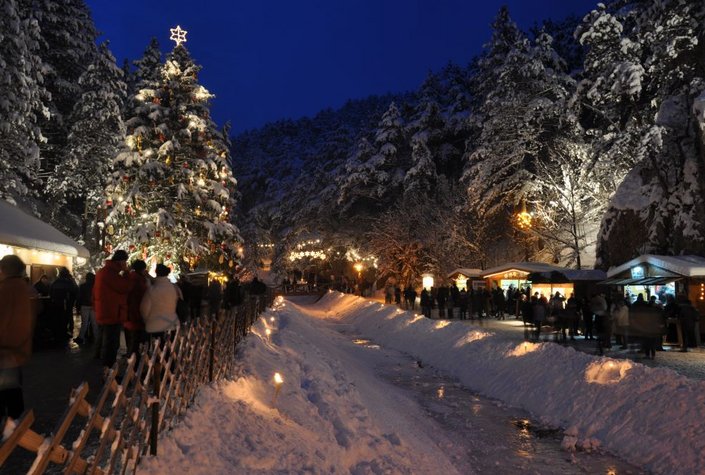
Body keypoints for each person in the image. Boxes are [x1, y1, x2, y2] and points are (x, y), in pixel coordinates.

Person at [0, 255, 35, 418]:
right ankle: (18, 428)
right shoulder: (22, 288)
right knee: (13, 391)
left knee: (7, 393)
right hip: (17, 349)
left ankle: (13, 431)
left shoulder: (6, 289)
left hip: (6, 350)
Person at [93, 250, 133, 369]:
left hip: (107, 311)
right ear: (121, 261)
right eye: (125, 262)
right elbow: (125, 287)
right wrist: (127, 273)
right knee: (111, 345)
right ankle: (108, 375)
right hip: (111, 313)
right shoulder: (110, 274)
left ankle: (108, 371)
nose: (126, 264)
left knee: (108, 343)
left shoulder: (104, 272)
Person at [141, 264, 181, 345]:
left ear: (156, 272)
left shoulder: (152, 290)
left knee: (158, 349)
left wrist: (147, 321)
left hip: (156, 325)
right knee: (169, 349)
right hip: (172, 323)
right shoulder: (174, 287)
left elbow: (144, 309)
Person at [124, 260, 149, 356]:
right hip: (137, 316)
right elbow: (142, 300)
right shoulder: (140, 281)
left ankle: (131, 359)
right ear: (143, 269)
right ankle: (135, 364)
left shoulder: (129, 278)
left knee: (131, 341)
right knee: (136, 343)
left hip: (128, 315)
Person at [49, 267, 78, 345]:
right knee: (66, 319)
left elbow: (51, 292)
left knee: (58, 319)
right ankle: (65, 333)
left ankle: (57, 334)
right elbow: (75, 291)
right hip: (66, 304)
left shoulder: (56, 282)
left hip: (56, 304)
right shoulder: (69, 282)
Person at [74, 272, 96, 345]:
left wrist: (77, 307)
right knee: (94, 324)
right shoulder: (95, 286)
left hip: (85, 306)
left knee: (84, 323)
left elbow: (79, 297)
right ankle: (97, 338)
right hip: (94, 306)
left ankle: (81, 338)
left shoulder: (82, 286)